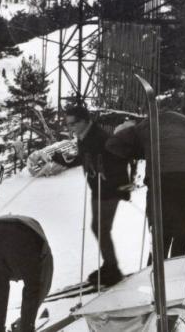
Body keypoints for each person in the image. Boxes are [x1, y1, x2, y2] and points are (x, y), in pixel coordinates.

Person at [105, 106, 185, 259]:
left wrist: (143, 152)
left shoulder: (146, 126)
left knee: (159, 237)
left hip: (160, 186)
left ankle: (155, 275)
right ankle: (179, 271)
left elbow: (112, 144)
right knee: (182, 235)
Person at [62, 105, 130, 286]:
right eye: (68, 124)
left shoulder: (100, 137)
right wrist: (62, 161)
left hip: (109, 187)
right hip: (97, 187)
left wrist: (121, 186)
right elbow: (83, 157)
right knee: (99, 228)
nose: (71, 128)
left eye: (74, 123)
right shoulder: (84, 136)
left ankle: (112, 269)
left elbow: (119, 158)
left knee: (100, 228)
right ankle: (110, 265)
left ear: (85, 120)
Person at [0, 216, 53, 332]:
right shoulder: (40, 260)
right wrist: (27, 323)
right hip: (26, 239)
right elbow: (37, 290)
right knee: (31, 289)